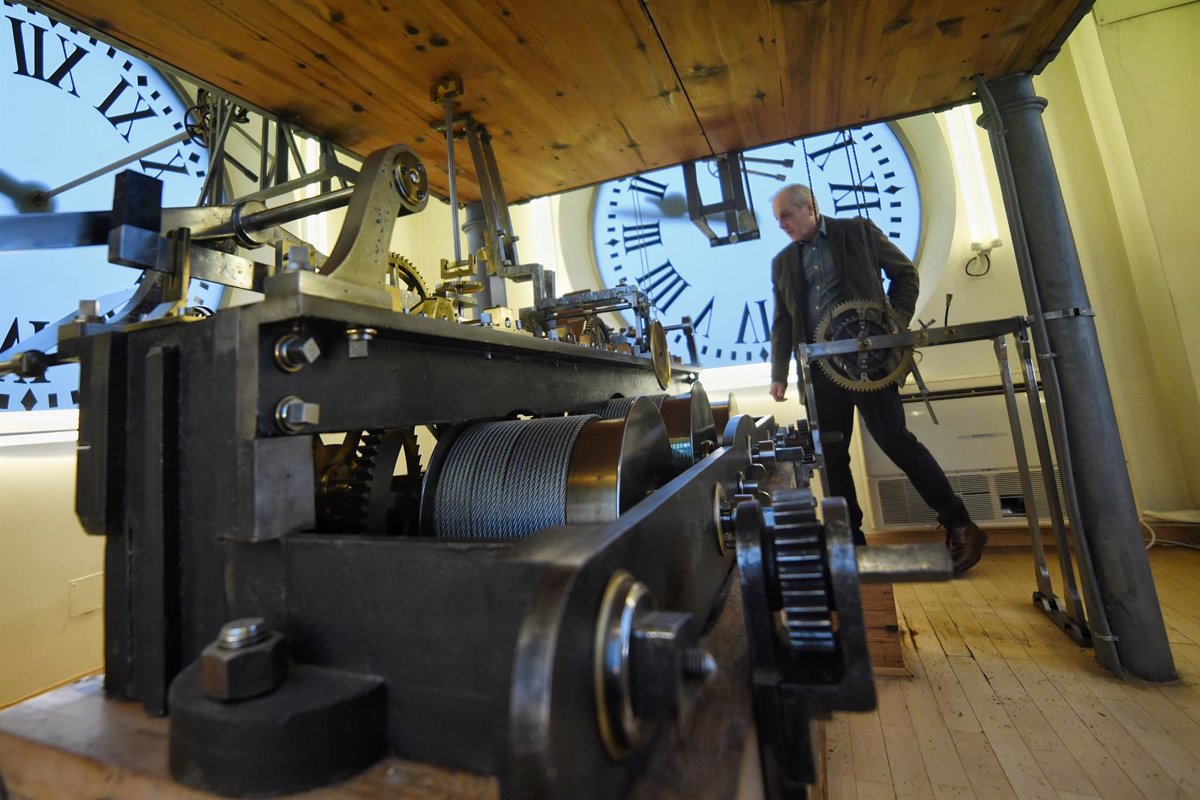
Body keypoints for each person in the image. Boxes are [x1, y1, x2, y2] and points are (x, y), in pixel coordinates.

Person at [767, 184, 987, 572]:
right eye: (778, 219)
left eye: (786, 215)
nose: (782, 225)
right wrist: (779, 374)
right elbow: (782, 322)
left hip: (871, 362)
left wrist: (891, 327)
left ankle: (961, 524)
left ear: (810, 207)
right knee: (831, 457)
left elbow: (905, 276)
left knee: (895, 440)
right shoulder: (783, 262)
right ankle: (848, 544)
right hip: (820, 370)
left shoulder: (858, 232)